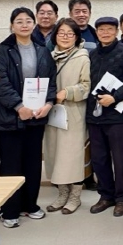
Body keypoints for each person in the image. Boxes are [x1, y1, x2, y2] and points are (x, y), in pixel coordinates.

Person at [0, 7, 57, 228]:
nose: (24, 25)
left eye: (28, 21)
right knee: (11, 165)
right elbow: (0, 82)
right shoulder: (3, 50)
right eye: (19, 21)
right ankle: (10, 210)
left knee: (32, 163)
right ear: (12, 25)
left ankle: (31, 205)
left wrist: (49, 103)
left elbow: (51, 80)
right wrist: (19, 106)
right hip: (10, 118)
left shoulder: (42, 50)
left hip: (36, 117)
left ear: (33, 24)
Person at [87, 17, 123, 217]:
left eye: (109, 29)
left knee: (120, 158)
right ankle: (106, 195)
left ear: (117, 31)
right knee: (99, 158)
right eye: (101, 29)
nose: (105, 33)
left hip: (118, 114)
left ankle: (122, 197)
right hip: (94, 115)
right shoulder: (92, 54)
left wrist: (115, 97)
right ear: (96, 32)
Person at [44, 18, 91, 215]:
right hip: (52, 112)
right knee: (55, 153)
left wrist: (67, 92)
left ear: (76, 37)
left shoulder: (82, 57)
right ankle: (62, 194)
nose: (65, 37)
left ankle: (75, 197)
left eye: (70, 34)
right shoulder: (48, 56)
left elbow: (86, 86)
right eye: (61, 33)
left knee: (72, 156)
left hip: (73, 112)